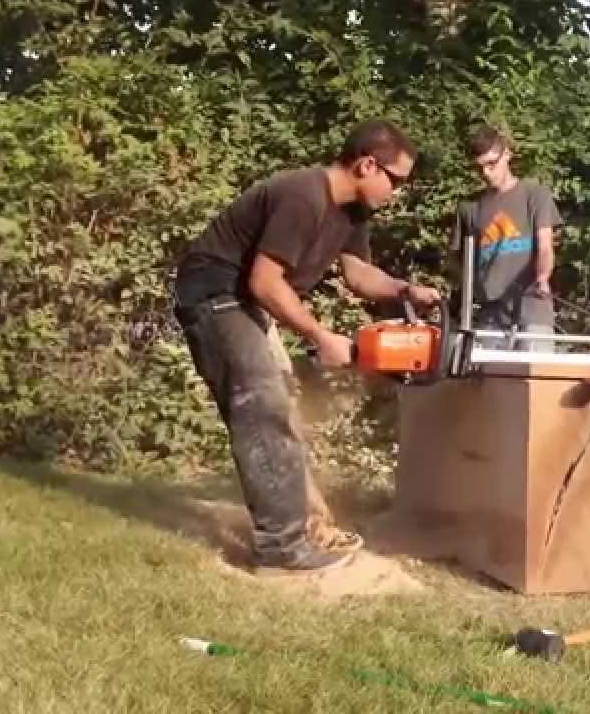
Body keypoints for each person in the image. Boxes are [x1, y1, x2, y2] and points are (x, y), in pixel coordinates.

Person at [170, 120, 441, 573]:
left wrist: (404, 289)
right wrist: (319, 336)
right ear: (366, 164)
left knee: (284, 408)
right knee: (263, 406)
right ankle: (279, 550)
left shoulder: (351, 211)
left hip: (244, 299)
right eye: (395, 180)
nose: (397, 192)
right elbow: (264, 282)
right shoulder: (303, 195)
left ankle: (305, 526)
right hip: (216, 294)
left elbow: (357, 275)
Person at [451, 124, 562, 352]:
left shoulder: (535, 195)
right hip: (489, 316)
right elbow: (457, 262)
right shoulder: (468, 207)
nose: (486, 173)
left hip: (532, 309)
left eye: (492, 164)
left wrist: (542, 278)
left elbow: (545, 247)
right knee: (489, 385)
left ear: (507, 154)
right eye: (479, 167)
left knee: (533, 382)